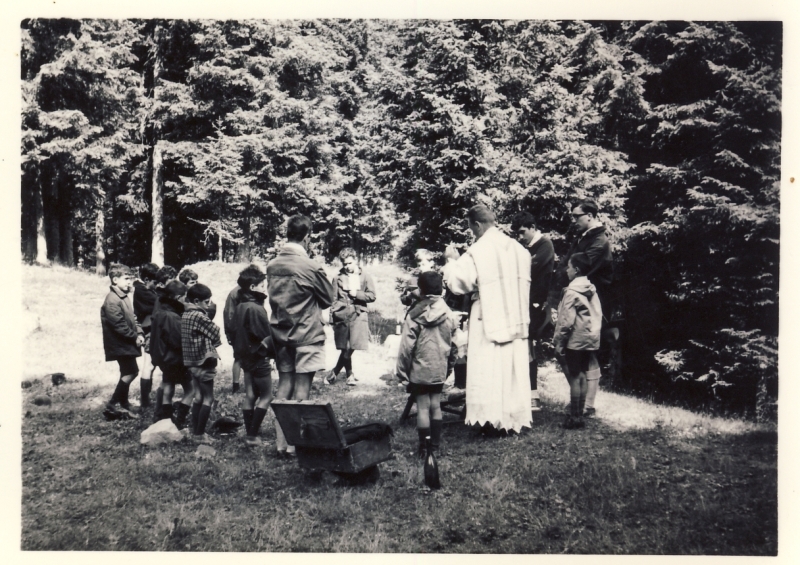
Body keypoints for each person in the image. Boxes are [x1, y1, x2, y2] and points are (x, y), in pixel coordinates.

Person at [442, 204, 532, 434]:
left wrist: (451, 261)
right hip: (516, 316)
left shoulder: (478, 250)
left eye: (472, 228)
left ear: (477, 224)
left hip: (488, 316)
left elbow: (458, 283)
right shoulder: (520, 249)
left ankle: (490, 421)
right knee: (511, 370)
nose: (472, 233)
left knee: (488, 368)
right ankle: (512, 420)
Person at [267, 215, 335, 458]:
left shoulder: (273, 265)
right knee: (302, 391)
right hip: (306, 333)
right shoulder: (310, 266)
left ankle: (281, 444)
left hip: (279, 333)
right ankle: (297, 446)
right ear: (307, 236)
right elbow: (328, 298)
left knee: (284, 386)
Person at [396, 271, 458, 456]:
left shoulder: (414, 315)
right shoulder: (449, 314)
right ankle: (436, 448)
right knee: (436, 406)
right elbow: (454, 346)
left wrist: (402, 371)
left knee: (422, 408)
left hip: (419, 369)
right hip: (439, 367)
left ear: (421, 290)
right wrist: (449, 367)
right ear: (441, 290)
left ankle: (424, 448)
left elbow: (406, 347)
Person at [562, 199, 614, 416]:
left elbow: (584, 269)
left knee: (589, 352)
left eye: (577, 216)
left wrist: (570, 292)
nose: (574, 220)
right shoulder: (584, 237)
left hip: (592, 301)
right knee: (578, 352)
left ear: (590, 216)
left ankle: (588, 405)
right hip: (582, 297)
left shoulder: (600, 241)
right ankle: (581, 401)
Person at [553, 253, 602, 429]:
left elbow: (566, 321)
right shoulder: (591, 289)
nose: (567, 270)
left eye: (569, 266)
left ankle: (574, 417)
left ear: (577, 270)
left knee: (575, 377)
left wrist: (559, 341)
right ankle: (580, 414)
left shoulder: (571, 292)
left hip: (575, 340)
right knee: (582, 374)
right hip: (589, 339)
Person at [511, 212, 555, 412]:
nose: (520, 237)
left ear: (532, 227)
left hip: (537, 306)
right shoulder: (527, 248)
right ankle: (528, 394)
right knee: (525, 347)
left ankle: (533, 396)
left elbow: (528, 270)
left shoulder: (545, 245)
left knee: (529, 347)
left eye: (522, 232)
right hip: (525, 304)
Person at [232, 265, 275, 446]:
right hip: (258, 357)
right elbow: (266, 335)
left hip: (245, 358)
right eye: (262, 285)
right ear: (252, 287)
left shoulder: (240, 305)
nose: (265, 287)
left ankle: (250, 433)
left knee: (250, 394)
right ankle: (252, 435)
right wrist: (271, 353)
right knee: (267, 396)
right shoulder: (256, 308)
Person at [325, 247, 376, 386]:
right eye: (345, 264)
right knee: (344, 347)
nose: (347, 266)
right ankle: (349, 375)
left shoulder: (365, 276)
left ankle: (335, 372)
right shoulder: (337, 277)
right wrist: (332, 319)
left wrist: (357, 294)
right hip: (342, 315)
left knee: (350, 347)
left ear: (356, 260)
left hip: (358, 314)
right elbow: (333, 299)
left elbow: (372, 296)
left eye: (350, 263)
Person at [101, 263, 145, 418]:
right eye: (126, 279)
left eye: (130, 279)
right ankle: (112, 404)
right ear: (114, 280)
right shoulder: (112, 300)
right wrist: (134, 336)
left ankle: (124, 403)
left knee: (127, 371)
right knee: (131, 372)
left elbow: (133, 318)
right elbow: (118, 325)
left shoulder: (123, 296)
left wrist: (139, 332)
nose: (129, 282)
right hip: (119, 343)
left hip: (126, 342)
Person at [149, 280, 194, 428]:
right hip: (175, 360)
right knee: (191, 389)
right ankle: (180, 420)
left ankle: (165, 418)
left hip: (162, 359)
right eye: (184, 297)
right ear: (178, 298)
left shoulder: (160, 312)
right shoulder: (173, 317)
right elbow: (178, 341)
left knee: (168, 385)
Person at [181, 283, 222, 442]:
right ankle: (199, 434)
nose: (209, 305)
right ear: (197, 301)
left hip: (191, 363)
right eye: (207, 302)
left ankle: (195, 431)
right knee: (208, 399)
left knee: (198, 397)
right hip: (204, 362)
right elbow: (215, 332)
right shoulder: (198, 316)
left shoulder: (185, 314)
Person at [133, 262, 159, 409]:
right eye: (155, 282)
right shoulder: (142, 290)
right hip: (148, 328)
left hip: (151, 327)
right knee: (148, 364)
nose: (157, 285)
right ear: (148, 280)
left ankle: (146, 397)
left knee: (151, 365)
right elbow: (157, 302)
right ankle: (144, 400)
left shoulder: (144, 289)